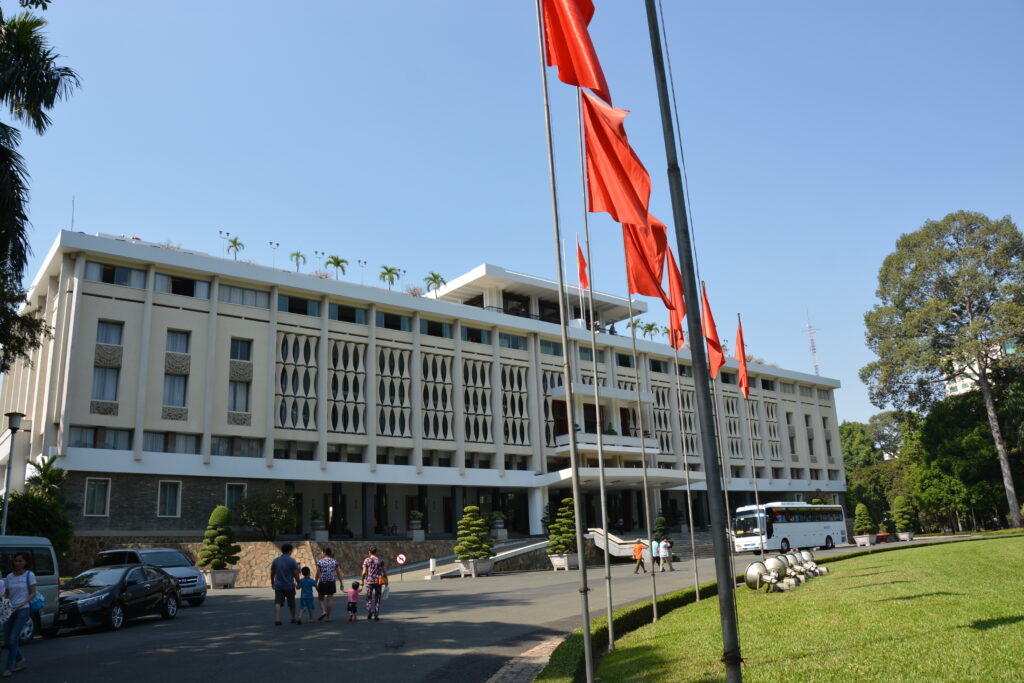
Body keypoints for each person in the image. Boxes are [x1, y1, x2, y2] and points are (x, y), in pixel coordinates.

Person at [4, 551, 37, 677]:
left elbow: (33, 593)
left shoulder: (30, 575)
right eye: (16, 560)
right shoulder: (9, 576)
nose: (17, 563)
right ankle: (20, 659)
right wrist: (3, 598)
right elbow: (7, 593)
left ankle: (9, 667)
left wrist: (22, 603)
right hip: (9, 609)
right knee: (8, 640)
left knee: (13, 638)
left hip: (23, 609)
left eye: (20, 561)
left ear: (26, 562)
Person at [270, 543, 301, 626]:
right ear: (290, 551)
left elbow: (272, 572)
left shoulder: (276, 560)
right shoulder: (292, 560)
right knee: (291, 603)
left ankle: (277, 618)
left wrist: (272, 581)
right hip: (289, 585)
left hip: (279, 585)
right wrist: (298, 582)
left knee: (278, 602)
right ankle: (292, 618)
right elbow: (296, 573)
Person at [360, 547, 388, 620]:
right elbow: (384, 571)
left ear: (369, 552)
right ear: (376, 552)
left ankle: (370, 610)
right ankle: (376, 614)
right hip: (378, 581)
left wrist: (362, 580)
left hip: (369, 581)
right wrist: (386, 579)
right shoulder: (380, 560)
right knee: (378, 597)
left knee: (368, 597)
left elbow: (364, 572)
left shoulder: (366, 560)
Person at [315, 547, 339, 622]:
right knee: (330, 599)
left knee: (320, 598)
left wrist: (315, 582)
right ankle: (328, 617)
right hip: (331, 581)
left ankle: (323, 611)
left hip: (322, 581)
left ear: (324, 553)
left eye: (322, 552)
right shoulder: (334, 561)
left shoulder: (320, 562)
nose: (321, 554)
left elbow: (317, 573)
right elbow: (338, 572)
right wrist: (341, 582)